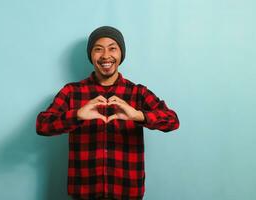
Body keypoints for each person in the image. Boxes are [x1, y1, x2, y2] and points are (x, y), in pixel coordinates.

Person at [36, 26, 179, 200]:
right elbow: (42, 125)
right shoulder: (72, 92)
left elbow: (172, 120)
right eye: (98, 49)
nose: (105, 56)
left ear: (121, 54)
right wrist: (76, 115)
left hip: (127, 192)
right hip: (84, 193)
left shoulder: (137, 93)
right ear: (91, 55)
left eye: (112, 48)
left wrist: (138, 115)